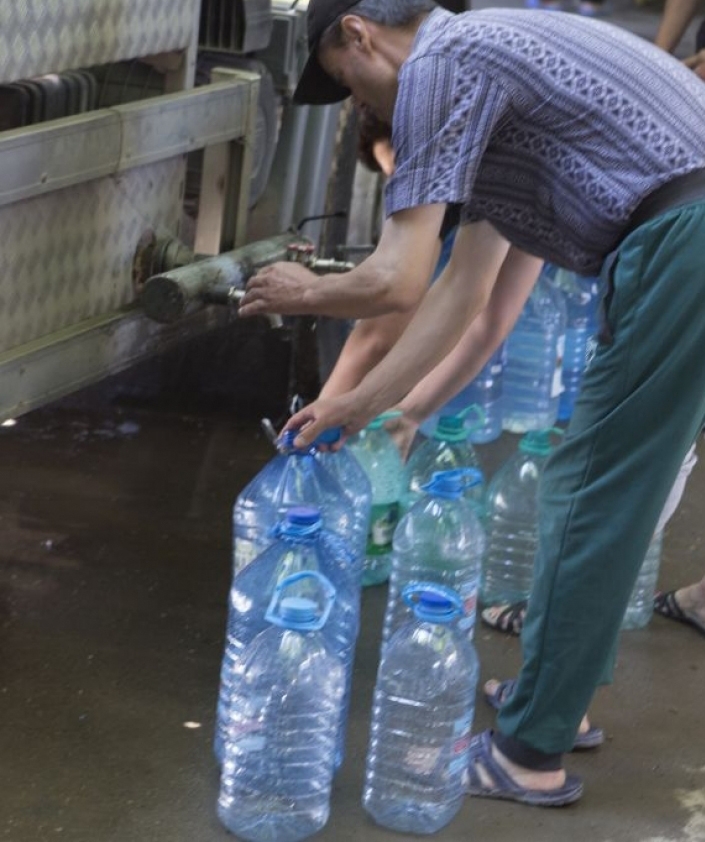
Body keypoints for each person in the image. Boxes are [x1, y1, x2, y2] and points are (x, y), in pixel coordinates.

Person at [238, 0, 705, 807]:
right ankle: (558, 697)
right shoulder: (495, 85)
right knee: (603, 492)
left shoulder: (443, 62)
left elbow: (397, 280)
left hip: (684, 239)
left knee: (590, 492)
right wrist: (366, 406)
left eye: (343, 80)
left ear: (358, 31)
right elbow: (459, 293)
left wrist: (308, 290)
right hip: (682, 234)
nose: (358, 103)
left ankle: (530, 751)